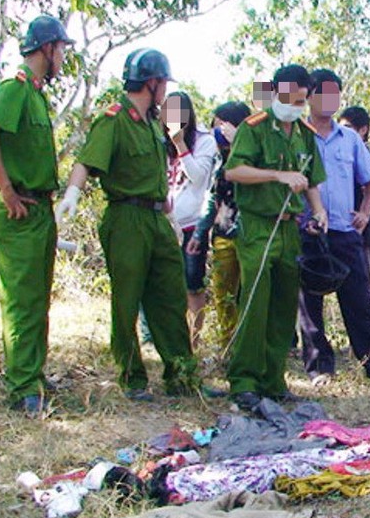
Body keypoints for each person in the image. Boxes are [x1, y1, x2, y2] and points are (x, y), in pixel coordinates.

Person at [56, 48, 215, 402]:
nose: (165, 91)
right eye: (163, 84)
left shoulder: (152, 125)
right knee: (127, 300)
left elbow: (160, 175)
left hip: (158, 218)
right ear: (152, 82)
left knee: (171, 297)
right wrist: (72, 194)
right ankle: (133, 378)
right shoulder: (114, 119)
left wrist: (170, 216)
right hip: (126, 217)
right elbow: (87, 162)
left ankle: (182, 375)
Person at [0, 15, 74, 417]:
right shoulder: (14, 89)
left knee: (37, 299)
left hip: (40, 210)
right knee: (21, 301)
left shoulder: (35, 94)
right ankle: (21, 387)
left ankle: (33, 372)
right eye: (61, 49)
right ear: (47, 49)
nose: (64, 57)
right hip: (20, 211)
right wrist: (7, 190)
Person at [222, 64, 328, 411]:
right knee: (255, 303)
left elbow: (311, 178)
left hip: (290, 227)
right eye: (288, 98)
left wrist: (318, 210)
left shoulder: (305, 132)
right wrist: (277, 176)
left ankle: (273, 380)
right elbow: (234, 170)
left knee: (284, 306)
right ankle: (245, 382)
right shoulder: (253, 128)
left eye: (300, 100)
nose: (293, 105)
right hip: (258, 226)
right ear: (275, 92)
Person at [298, 69, 370, 387]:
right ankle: (320, 368)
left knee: (360, 301)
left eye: (335, 93)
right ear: (309, 96)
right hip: (308, 233)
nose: (330, 99)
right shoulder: (297, 135)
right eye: (323, 93)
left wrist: (365, 212)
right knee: (310, 305)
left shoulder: (351, 140)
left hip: (346, 231)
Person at [187, 101, 252, 353]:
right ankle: (229, 347)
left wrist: (239, 143)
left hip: (250, 235)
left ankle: (248, 348)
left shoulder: (252, 152)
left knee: (248, 296)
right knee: (223, 296)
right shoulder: (218, 158)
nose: (218, 132)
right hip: (223, 234)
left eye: (222, 127)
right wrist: (201, 232)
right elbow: (212, 197)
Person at [162, 91, 218, 350]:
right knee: (168, 287)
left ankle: (193, 343)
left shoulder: (204, 141)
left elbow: (198, 178)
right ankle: (172, 341)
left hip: (192, 225)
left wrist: (181, 145)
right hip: (165, 223)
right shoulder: (159, 143)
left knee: (193, 285)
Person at [339, 105, 370, 271]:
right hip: (341, 228)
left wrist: (362, 219)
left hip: (361, 230)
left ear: (363, 130)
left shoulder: (366, 156)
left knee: (362, 285)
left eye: (348, 128)